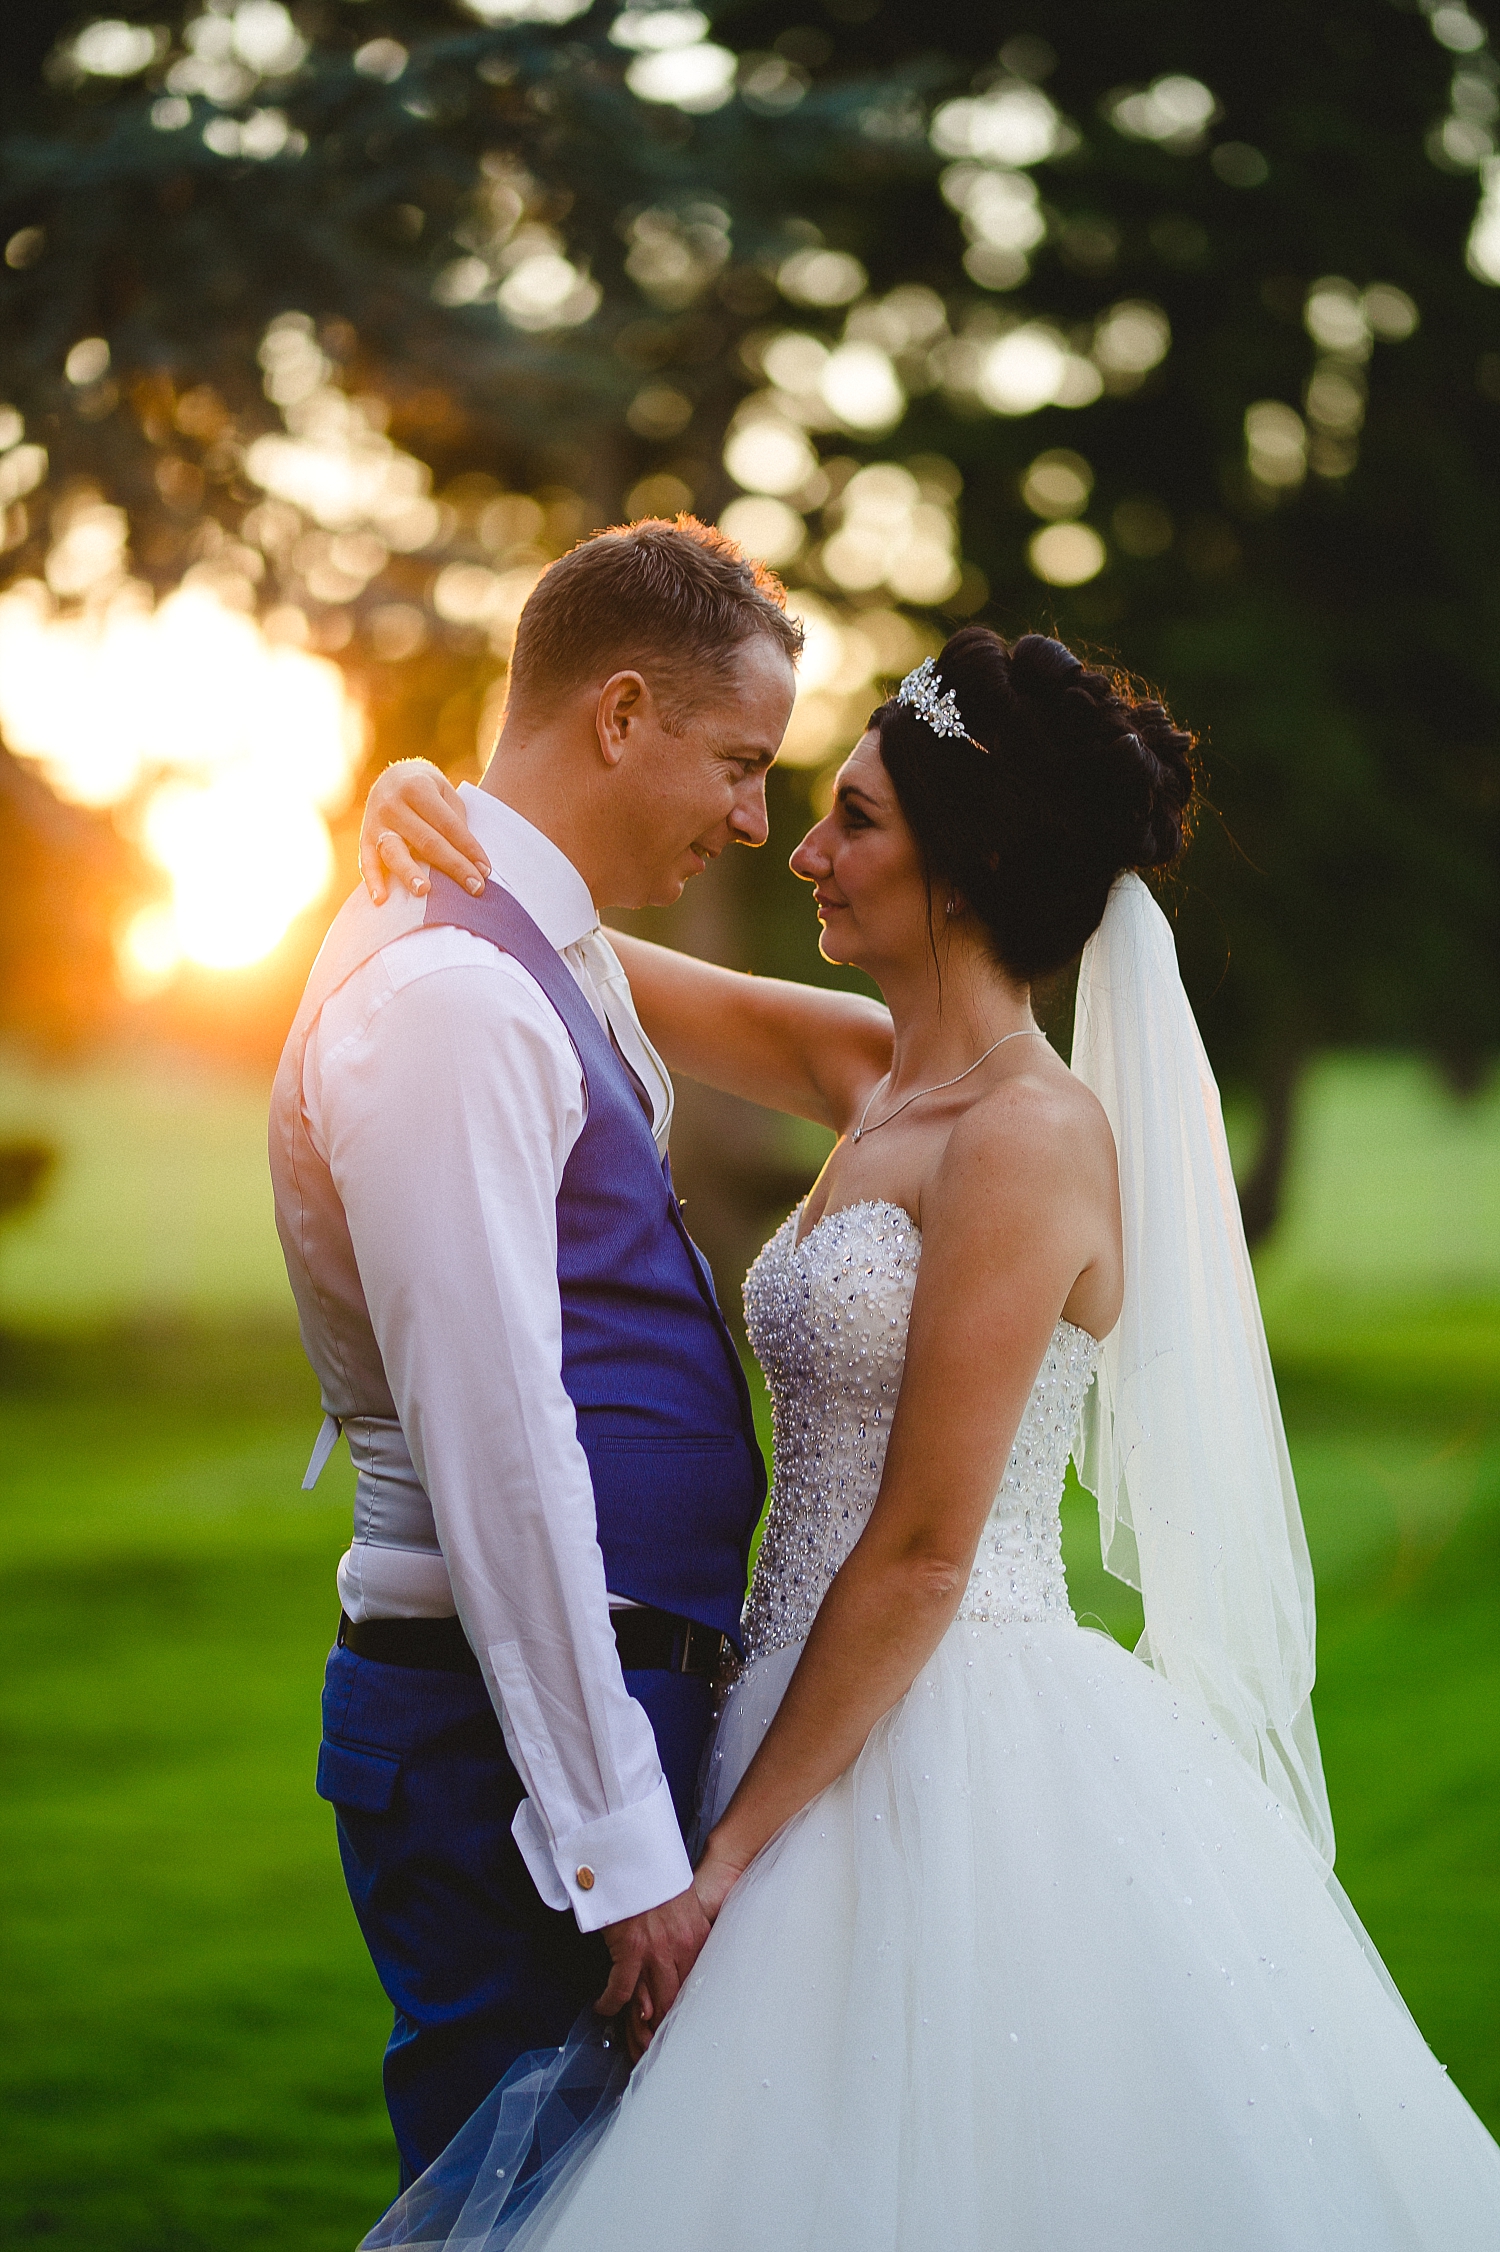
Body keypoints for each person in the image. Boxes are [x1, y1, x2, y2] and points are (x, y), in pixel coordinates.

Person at [353, 624, 1500, 2250]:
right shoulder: (868, 1074)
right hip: (787, 1698)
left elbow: (923, 1547)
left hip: (947, 1731)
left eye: (857, 821)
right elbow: (568, 952)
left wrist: (723, 1863)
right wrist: (421, 804)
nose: (801, 851)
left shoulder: (1031, 1141)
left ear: (969, 867)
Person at [267, 518, 802, 2184]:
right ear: (623, 712)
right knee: (518, 2210)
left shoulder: (534, 945)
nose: (756, 819)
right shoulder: (449, 999)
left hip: (586, 1716)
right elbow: (502, 1451)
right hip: (504, 1753)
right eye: (739, 761)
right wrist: (620, 1853)